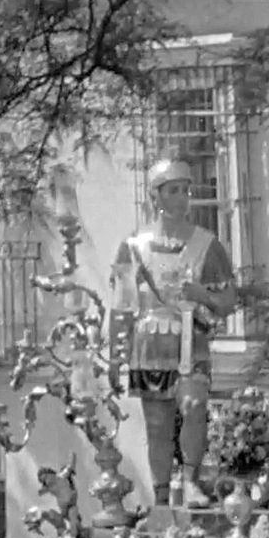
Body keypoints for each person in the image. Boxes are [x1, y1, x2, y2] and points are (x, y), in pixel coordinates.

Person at [109, 159, 237, 508]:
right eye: (173, 190)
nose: (182, 197)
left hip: (191, 340)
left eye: (185, 190)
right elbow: (121, 305)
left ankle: (191, 480)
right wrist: (115, 356)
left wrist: (203, 295)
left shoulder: (207, 245)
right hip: (150, 341)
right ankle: (162, 497)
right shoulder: (134, 247)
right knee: (157, 423)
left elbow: (228, 301)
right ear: (156, 196)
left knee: (194, 405)